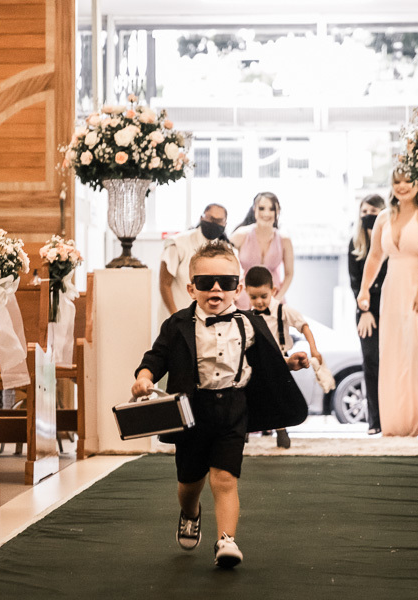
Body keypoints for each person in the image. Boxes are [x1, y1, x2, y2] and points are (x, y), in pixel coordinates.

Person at [131, 240, 309, 569]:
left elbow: (268, 359)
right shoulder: (177, 325)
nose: (216, 289)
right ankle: (190, 511)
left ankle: (226, 539)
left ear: (237, 288)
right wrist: (144, 378)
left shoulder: (249, 323)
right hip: (190, 410)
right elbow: (155, 358)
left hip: (233, 407)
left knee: (225, 478)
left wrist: (291, 363)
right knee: (189, 481)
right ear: (190, 287)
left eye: (225, 283)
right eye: (205, 282)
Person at [356, 168, 418, 438]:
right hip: (393, 289)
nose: (402, 186)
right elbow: (374, 257)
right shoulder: (384, 217)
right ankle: (400, 420)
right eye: (397, 181)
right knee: (394, 350)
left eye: (408, 181)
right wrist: (364, 290)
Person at [243, 265, 322, 450]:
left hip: (280, 361)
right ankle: (245, 429)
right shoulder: (246, 316)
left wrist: (314, 349)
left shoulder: (282, 310)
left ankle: (281, 430)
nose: (259, 302)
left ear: (273, 290)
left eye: (263, 296)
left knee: (278, 395)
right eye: (254, 297)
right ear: (245, 292)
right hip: (256, 360)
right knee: (251, 394)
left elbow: (303, 326)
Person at [348, 194, 388, 435]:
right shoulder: (354, 244)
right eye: (364, 212)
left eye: (373, 211)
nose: (368, 216)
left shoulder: (391, 240)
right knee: (371, 362)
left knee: (391, 363)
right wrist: (365, 311)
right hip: (366, 311)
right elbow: (355, 282)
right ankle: (375, 421)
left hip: (391, 306)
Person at [159, 203, 228, 317]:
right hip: (177, 314)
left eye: (219, 220)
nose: (214, 223)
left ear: (225, 224)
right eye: (211, 219)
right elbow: (164, 283)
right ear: (202, 218)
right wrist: (175, 316)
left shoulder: (226, 249)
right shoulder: (178, 243)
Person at [229, 192, 294, 310]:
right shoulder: (241, 235)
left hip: (273, 299)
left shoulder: (284, 240)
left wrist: (277, 299)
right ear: (255, 210)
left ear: (278, 211)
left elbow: (289, 274)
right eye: (262, 208)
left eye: (272, 209)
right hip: (243, 299)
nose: (266, 213)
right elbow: (223, 263)